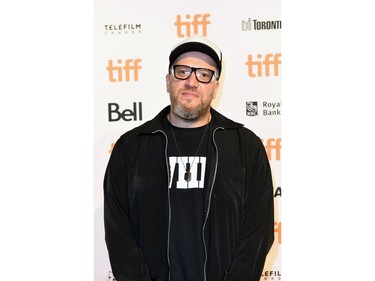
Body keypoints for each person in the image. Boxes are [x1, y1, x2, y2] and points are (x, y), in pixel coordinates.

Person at [103, 34, 275, 281]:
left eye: (204, 74)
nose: (192, 82)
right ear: (168, 81)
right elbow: (118, 231)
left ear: (215, 87)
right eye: (183, 71)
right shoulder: (132, 147)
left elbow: (258, 232)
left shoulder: (245, 146)